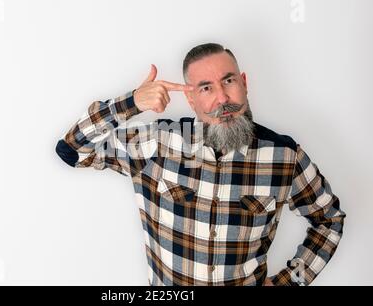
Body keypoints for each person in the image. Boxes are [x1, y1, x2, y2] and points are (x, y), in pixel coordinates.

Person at [55, 43, 346, 286]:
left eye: (228, 81)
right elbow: (72, 150)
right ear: (192, 99)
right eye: (206, 88)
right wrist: (132, 103)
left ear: (244, 83)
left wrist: (287, 282)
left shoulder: (284, 156)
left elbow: (329, 219)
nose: (222, 98)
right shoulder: (155, 144)